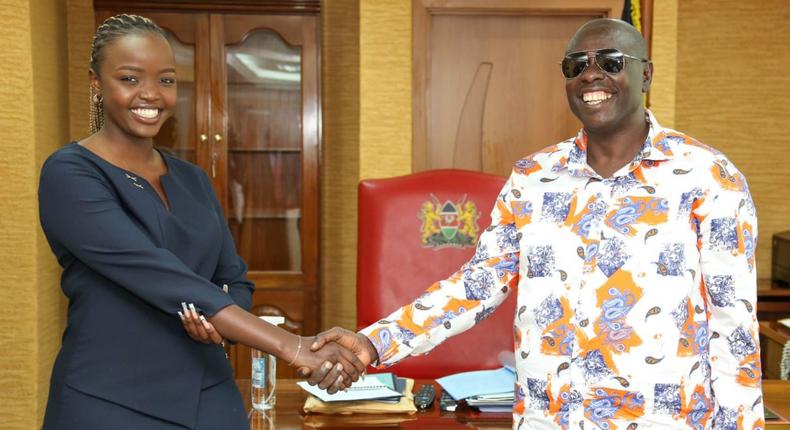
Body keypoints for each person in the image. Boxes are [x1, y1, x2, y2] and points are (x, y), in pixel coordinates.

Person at [310, 18, 764, 429]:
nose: (591, 75)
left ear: (646, 74)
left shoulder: (708, 177)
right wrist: (373, 344)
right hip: (551, 420)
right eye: (575, 65)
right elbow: (479, 283)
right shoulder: (533, 178)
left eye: (610, 61)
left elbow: (734, 327)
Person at [39, 14, 358, 430]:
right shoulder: (70, 173)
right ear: (96, 84)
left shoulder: (193, 179)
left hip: (208, 390)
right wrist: (293, 346)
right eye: (130, 79)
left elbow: (235, 278)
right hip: (109, 397)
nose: (150, 94)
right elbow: (159, 274)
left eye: (166, 80)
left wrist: (217, 326)